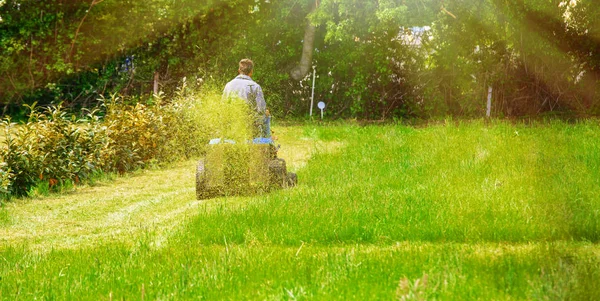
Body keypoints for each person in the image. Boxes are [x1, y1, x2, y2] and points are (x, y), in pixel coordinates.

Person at [222, 59, 271, 138]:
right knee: (267, 114)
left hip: (232, 122)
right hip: (250, 124)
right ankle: (267, 144)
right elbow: (261, 110)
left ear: (239, 70)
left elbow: (223, 106)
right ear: (251, 72)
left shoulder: (229, 85)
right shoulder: (256, 87)